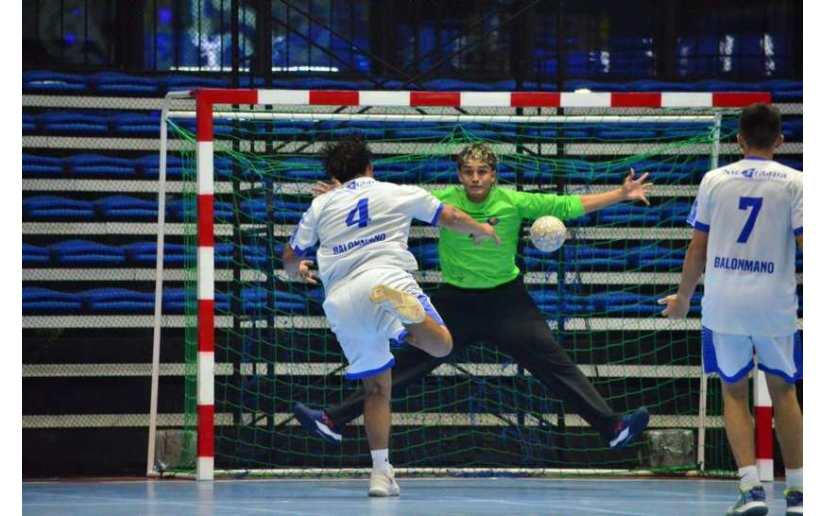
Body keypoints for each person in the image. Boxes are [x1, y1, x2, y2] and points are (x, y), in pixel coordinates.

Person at [294, 141, 652, 456]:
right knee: (403, 368)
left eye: (482, 172)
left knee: (555, 365)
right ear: (459, 175)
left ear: (493, 175)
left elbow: (567, 205)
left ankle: (612, 428)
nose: (476, 178)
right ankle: (332, 420)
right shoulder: (442, 200)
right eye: (468, 172)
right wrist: (345, 192)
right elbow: (378, 202)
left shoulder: (512, 201)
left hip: (507, 302)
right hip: (456, 303)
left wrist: (620, 194)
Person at [283, 135, 500, 497]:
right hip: (385, 278)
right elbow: (450, 216)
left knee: (376, 388)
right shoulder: (396, 191)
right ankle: (404, 310)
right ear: (370, 167)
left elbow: (290, 257)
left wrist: (298, 271)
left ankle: (381, 475)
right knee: (442, 346)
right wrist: (483, 229)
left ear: (335, 174)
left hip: (342, 300)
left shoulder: (321, 205)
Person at [660, 103, 802, 516]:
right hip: (774, 303)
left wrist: (683, 297)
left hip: (724, 304)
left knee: (734, 393)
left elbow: (697, 249)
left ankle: (751, 489)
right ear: (780, 140)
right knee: (785, 392)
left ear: (739, 140)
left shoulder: (714, 180)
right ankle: (798, 492)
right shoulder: (797, 182)